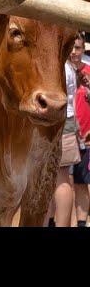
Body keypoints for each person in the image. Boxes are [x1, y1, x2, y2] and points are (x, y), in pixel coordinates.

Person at [49, 33, 85, 226]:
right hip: (66, 121)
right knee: (56, 178)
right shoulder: (69, 67)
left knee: (60, 178)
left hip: (59, 123)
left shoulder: (62, 66)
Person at [73, 62, 90, 227]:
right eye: (72, 48)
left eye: (78, 48)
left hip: (86, 138)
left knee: (81, 182)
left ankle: (81, 223)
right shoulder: (60, 70)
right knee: (61, 183)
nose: (73, 52)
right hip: (66, 136)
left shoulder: (88, 71)